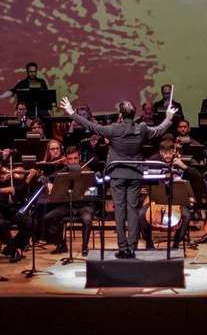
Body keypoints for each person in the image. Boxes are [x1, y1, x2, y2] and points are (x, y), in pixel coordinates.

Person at [60, 96, 176, 258]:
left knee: (120, 211)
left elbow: (91, 126)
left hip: (117, 174)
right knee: (133, 210)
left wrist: (72, 113)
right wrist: (168, 117)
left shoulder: (114, 129)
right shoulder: (141, 128)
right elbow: (158, 130)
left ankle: (123, 248)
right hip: (134, 174)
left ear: (120, 115)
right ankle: (132, 247)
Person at [140, 139, 198, 250]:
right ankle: (149, 244)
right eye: (165, 153)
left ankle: (175, 245)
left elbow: (197, 177)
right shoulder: (154, 162)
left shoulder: (180, 163)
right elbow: (144, 177)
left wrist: (183, 167)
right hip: (156, 197)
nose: (167, 155)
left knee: (186, 216)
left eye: (170, 152)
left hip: (176, 198)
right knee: (142, 215)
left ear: (174, 152)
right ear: (160, 153)